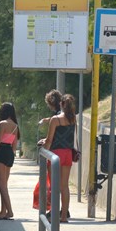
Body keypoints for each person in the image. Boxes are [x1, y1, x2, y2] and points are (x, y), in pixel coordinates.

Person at [39, 94, 77, 222]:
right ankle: (64, 216)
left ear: (61, 104)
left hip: (56, 155)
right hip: (68, 154)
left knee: (54, 186)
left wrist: (44, 147)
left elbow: (50, 140)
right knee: (64, 186)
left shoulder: (55, 119)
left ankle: (54, 214)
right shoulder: (73, 120)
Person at [0, 102, 20, 220]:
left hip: (1, 152)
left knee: (1, 185)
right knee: (4, 185)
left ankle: (9, 211)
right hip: (9, 153)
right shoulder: (15, 126)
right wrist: (11, 155)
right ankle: (3, 211)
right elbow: (14, 145)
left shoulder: (2, 124)